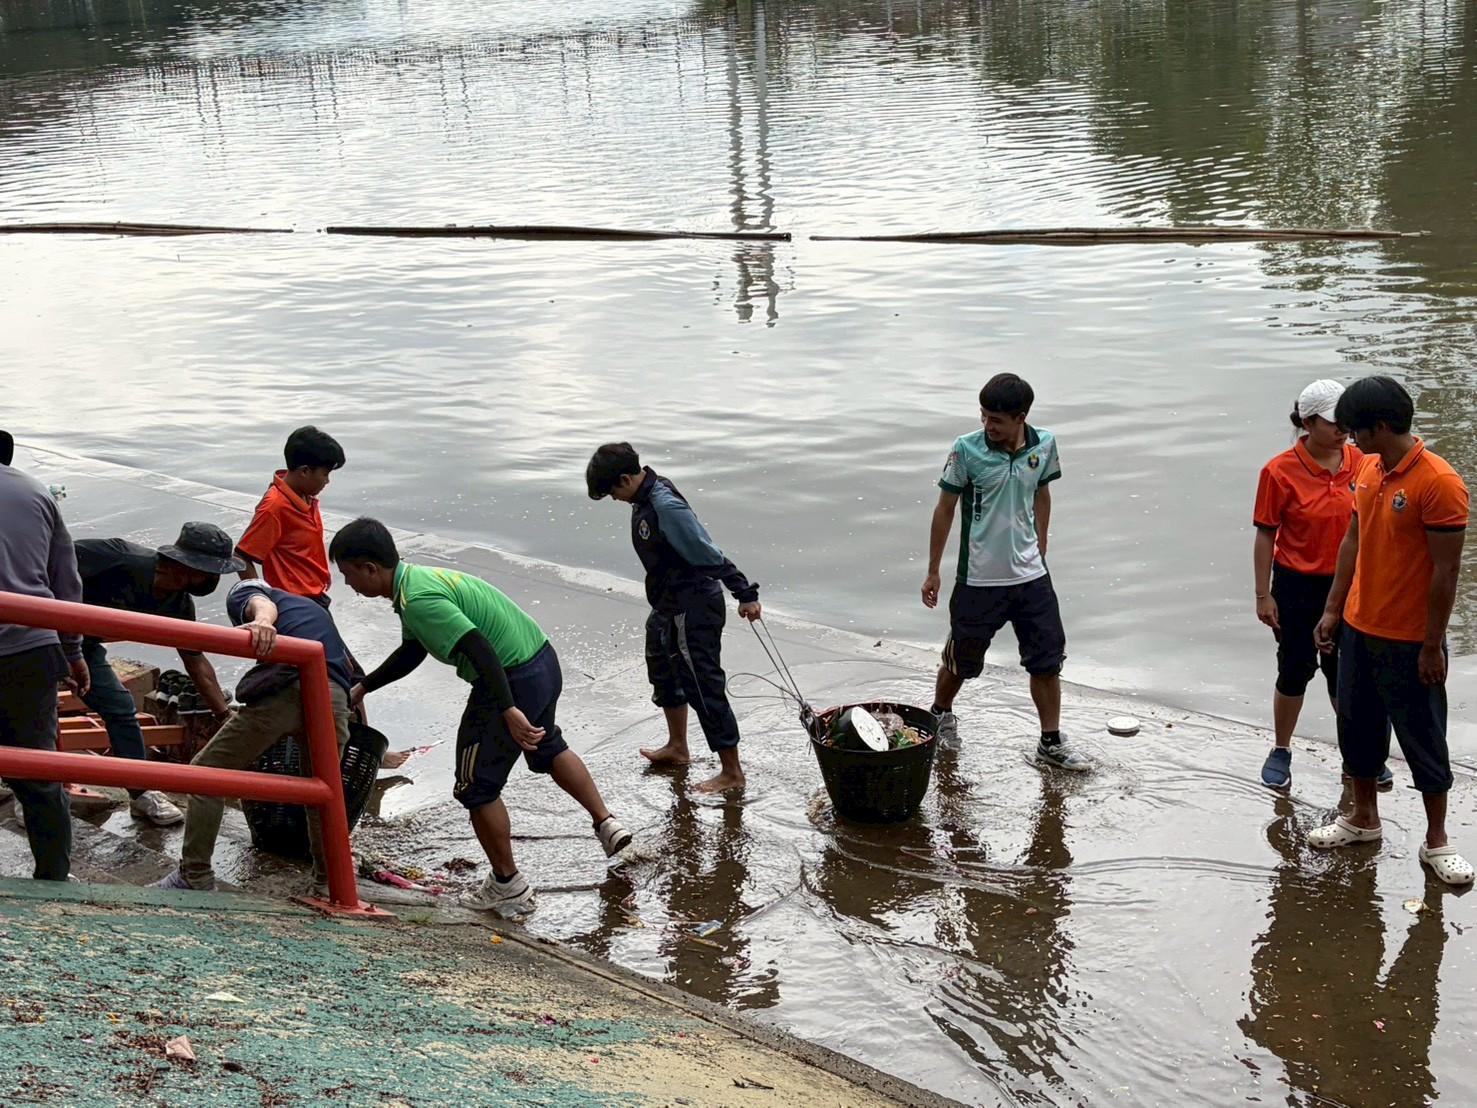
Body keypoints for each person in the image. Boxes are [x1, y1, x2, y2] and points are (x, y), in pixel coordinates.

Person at [329, 517, 632, 917]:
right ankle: (607, 825)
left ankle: (508, 885)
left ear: (370, 568)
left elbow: (478, 646)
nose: (348, 584)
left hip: (507, 680)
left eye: (348, 575)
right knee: (547, 745)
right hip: (541, 661)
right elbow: (413, 650)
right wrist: (364, 687)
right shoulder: (416, 581)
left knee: (475, 787)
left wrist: (508, 709)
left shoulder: (419, 600)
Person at [1309, 376, 1472, 885]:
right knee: (1357, 729)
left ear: (1380, 426)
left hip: (1410, 639)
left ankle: (1437, 840)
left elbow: (1446, 572)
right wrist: (1333, 610)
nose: (1349, 438)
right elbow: (1353, 539)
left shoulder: (1439, 483)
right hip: (1359, 626)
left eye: (1355, 429)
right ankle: (1363, 819)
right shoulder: (1368, 469)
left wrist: (1431, 646)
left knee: (1424, 737)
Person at [921, 373, 1090, 770]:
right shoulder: (966, 450)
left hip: (1031, 577)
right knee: (961, 660)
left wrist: (1041, 543)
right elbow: (945, 508)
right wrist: (933, 571)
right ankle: (940, 713)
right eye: (983, 416)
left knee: (1047, 660)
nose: (988, 426)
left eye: (996, 420)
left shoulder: (1044, 445)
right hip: (979, 579)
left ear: (1021, 417)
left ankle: (1050, 741)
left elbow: (1042, 492)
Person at [584, 443, 762, 794]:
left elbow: (706, 552)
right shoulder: (642, 498)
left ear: (625, 479)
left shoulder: (665, 505)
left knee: (703, 686)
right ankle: (678, 747)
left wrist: (744, 592)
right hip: (667, 605)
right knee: (663, 671)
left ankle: (732, 772)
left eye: (612, 492)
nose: (614, 499)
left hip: (693, 607)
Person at [157, 580, 354, 894]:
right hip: (335, 699)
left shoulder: (247, 593)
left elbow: (259, 603)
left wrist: (261, 621)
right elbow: (353, 671)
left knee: (205, 775)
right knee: (324, 794)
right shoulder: (314, 611)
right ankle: (330, 885)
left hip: (290, 690)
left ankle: (194, 875)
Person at [1251, 379, 1390, 790]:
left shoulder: (1364, 462)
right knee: (1294, 668)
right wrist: (1263, 594)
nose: (1343, 430)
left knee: (1346, 674)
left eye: (1346, 422)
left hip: (1349, 584)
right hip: (1297, 585)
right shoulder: (1279, 471)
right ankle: (1281, 748)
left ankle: (1359, 755)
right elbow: (1265, 534)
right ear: (1307, 423)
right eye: (1333, 423)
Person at [74, 524, 244, 825]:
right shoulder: (117, 557)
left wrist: (223, 714)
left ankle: (140, 793)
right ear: (191, 566)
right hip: (35, 634)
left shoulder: (177, 603)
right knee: (36, 710)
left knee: (120, 708)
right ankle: (32, 791)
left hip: (82, 647)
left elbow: (195, 660)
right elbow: (46, 559)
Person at [0, 434, 87, 880]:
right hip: (31, 647)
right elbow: (66, 582)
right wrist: (73, 650)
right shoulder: (36, 491)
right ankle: (54, 876)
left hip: (26, 645)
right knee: (39, 769)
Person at [235, 426, 345, 605]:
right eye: (325, 474)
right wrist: (261, 599)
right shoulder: (275, 507)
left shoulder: (305, 495)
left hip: (315, 595)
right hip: (293, 602)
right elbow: (241, 555)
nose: (327, 481)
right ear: (304, 471)